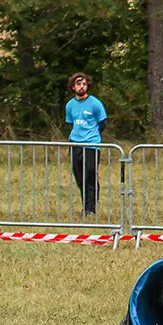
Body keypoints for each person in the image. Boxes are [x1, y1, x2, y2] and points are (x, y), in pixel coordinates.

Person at [64, 73, 107, 217]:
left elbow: (103, 124)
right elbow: (71, 124)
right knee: (79, 177)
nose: (81, 87)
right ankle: (85, 206)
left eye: (84, 84)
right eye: (78, 84)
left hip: (91, 145)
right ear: (73, 87)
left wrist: (92, 136)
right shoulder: (70, 105)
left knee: (90, 175)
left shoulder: (95, 103)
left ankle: (91, 208)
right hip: (76, 144)